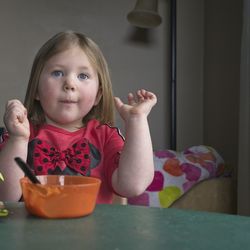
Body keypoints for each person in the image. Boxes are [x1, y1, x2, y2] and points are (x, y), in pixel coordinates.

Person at [0, 30, 157, 204]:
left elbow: (132, 186)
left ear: (98, 95)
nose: (69, 84)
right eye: (57, 73)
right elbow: (5, 197)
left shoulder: (106, 136)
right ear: (36, 89)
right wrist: (17, 140)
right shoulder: (20, 133)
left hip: (94, 231)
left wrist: (137, 120)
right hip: (31, 231)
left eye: (83, 76)